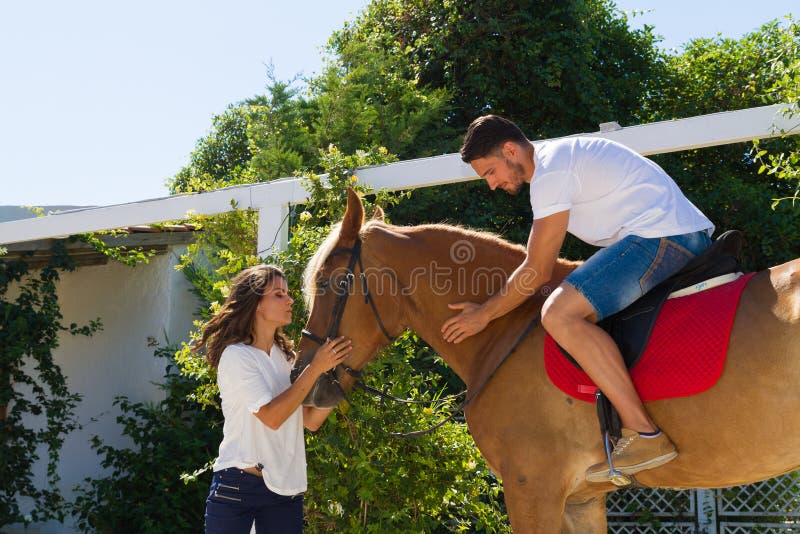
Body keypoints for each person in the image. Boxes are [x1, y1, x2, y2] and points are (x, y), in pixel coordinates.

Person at [441, 115, 714, 482]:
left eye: (491, 171)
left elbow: (536, 269)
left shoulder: (551, 172)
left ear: (510, 150)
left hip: (661, 238)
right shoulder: (560, 160)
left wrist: (485, 314)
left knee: (558, 314)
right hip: (670, 234)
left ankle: (644, 432)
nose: (492, 184)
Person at [194, 264, 352, 533]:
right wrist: (316, 368)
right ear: (256, 304)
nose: (290, 300)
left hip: (284, 492)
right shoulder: (237, 356)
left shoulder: (286, 359)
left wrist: (344, 378)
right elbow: (272, 417)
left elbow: (310, 420)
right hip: (238, 488)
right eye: (279, 294)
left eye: (288, 293)